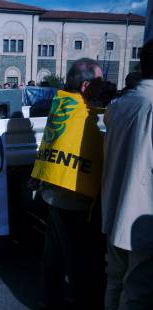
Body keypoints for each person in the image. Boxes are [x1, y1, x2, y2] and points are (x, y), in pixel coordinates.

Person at [31, 58, 105, 309]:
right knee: (80, 266)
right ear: (86, 86)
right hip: (74, 199)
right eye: (99, 82)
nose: (102, 87)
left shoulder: (61, 105)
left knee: (54, 259)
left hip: (53, 192)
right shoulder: (85, 117)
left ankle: (50, 301)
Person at [102, 39, 153, 310]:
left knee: (115, 281)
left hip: (114, 208)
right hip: (142, 218)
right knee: (138, 291)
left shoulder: (121, 103)